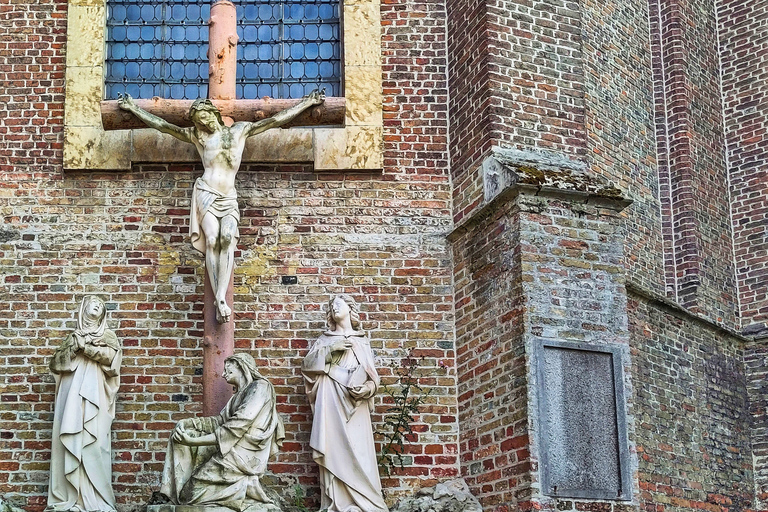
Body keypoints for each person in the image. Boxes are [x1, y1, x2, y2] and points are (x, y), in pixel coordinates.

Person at [117, 91, 325, 323]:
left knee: (228, 239)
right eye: (197, 120)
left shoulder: (240, 130)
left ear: (213, 113)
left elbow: (274, 121)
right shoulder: (198, 136)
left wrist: (306, 103)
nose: (201, 122)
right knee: (213, 241)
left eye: (203, 116)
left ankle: (220, 295)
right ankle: (220, 299)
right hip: (206, 192)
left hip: (228, 196)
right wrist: (133, 108)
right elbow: (163, 126)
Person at [156, 353, 284, 512]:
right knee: (187, 493)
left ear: (241, 367)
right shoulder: (237, 395)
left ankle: (245, 486)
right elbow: (219, 421)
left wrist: (192, 441)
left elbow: (238, 425)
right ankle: (240, 489)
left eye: (228, 371)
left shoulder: (260, 387)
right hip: (232, 449)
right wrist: (189, 423)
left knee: (190, 495)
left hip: (244, 455)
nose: (223, 375)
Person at [301, 295, 388, 512]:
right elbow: (307, 366)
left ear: (351, 309)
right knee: (333, 448)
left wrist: (367, 389)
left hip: (356, 403)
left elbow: (373, 378)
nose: (333, 307)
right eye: (331, 305)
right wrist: (331, 350)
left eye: (338, 304)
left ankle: (366, 504)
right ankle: (337, 503)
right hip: (330, 398)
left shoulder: (361, 340)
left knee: (360, 452)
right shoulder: (324, 340)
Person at [47, 296, 122, 512]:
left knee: (95, 443)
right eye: (93, 302)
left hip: (96, 397)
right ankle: (71, 499)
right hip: (71, 397)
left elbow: (112, 361)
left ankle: (98, 500)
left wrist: (87, 348)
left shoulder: (108, 336)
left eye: (101, 303)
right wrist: (73, 347)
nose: (97, 304)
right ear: (83, 309)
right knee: (71, 440)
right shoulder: (72, 338)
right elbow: (56, 364)